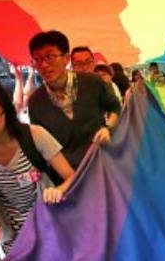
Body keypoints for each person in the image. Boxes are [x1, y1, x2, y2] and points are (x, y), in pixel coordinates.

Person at [0, 82, 75, 256]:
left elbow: (71, 176)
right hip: (14, 238)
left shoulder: (35, 135)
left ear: (6, 111)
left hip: (52, 225)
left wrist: (58, 190)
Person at [27, 31, 121, 169]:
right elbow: (42, 144)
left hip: (102, 162)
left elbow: (115, 107)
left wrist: (108, 128)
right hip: (68, 175)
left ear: (66, 58)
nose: (44, 65)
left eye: (50, 57)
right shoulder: (35, 102)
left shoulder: (92, 82)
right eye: (37, 59)